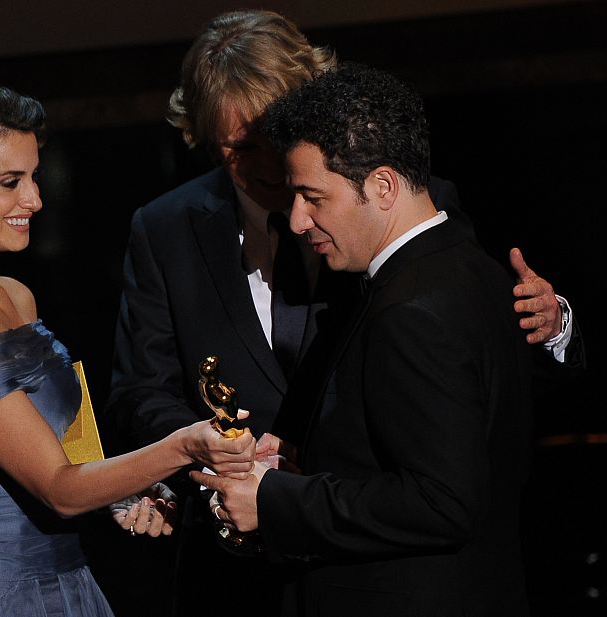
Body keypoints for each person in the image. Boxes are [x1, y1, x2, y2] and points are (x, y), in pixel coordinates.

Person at [103, 9, 579, 617]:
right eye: (242, 149)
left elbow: (470, 369)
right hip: (236, 572)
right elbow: (142, 389)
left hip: (376, 569)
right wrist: (216, 453)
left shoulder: (400, 199)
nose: (274, 168)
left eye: (285, 141)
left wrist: (552, 325)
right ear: (202, 138)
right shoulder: (163, 229)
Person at [0, 84, 255, 617]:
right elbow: (60, 490)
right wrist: (186, 445)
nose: (34, 199)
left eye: (33, 177)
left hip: (69, 583)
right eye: (11, 183)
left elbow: (71, 458)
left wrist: (124, 492)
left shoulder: (16, 296)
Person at [195, 61, 536, 617]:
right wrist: (309, 452)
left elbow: (442, 502)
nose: (298, 220)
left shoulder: (412, 309)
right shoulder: (471, 268)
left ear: (382, 186)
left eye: (314, 197)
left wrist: (275, 500)